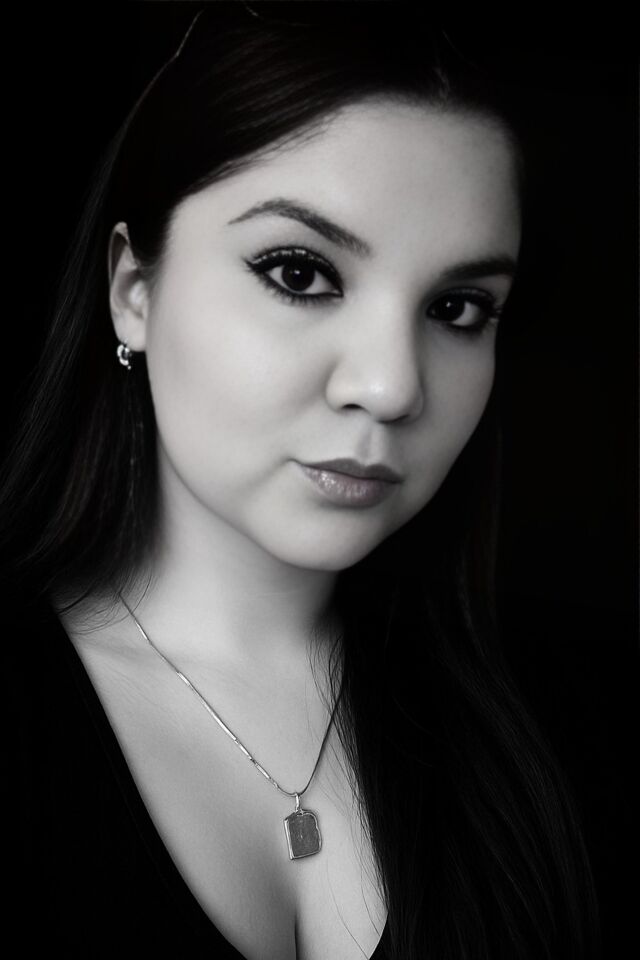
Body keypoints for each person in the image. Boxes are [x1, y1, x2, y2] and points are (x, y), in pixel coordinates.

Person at [3, 3, 602, 958]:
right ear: (133, 292)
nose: (392, 387)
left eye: (458, 308)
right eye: (299, 273)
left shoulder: (564, 731)